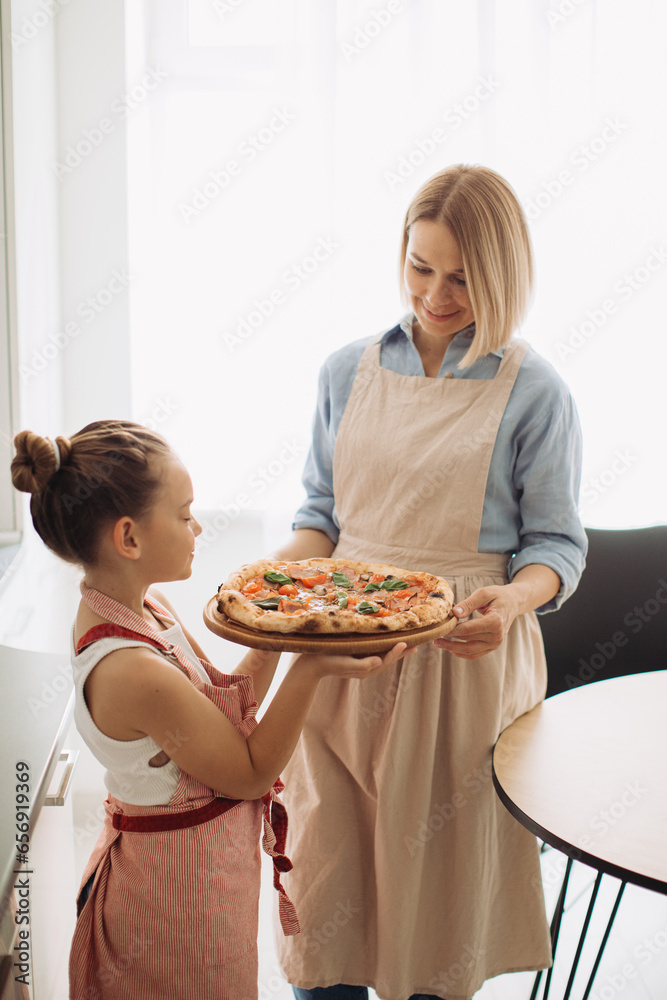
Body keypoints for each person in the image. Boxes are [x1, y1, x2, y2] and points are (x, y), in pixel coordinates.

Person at [273, 164, 587, 1000]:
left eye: (460, 276)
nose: (435, 294)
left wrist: (515, 600)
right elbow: (321, 517)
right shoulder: (346, 371)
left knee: (433, 918)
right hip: (339, 663)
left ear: (501, 274)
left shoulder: (535, 393)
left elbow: (556, 546)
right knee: (325, 886)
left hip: (461, 664)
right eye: (420, 267)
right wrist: (273, 585)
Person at [10, 420, 410, 1000]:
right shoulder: (130, 670)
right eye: (184, 513)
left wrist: (289, 629)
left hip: (207, 890)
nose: (198, 527)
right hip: (167, 909)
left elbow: (215, 724)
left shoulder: (147, 606)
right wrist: (312, 667)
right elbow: (248, 773)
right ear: (129, 538)